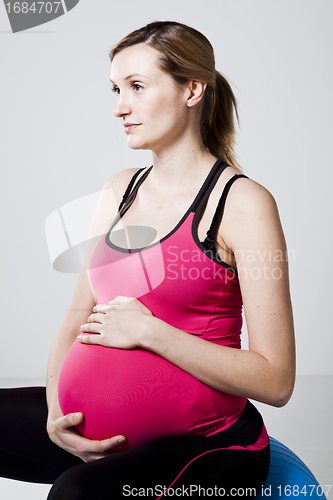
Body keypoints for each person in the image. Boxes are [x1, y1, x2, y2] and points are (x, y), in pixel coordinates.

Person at [0, 21, 295, 499]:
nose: (120, 107)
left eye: (137, 87)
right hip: (96, 434)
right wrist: (57, 414)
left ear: (192, 89)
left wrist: (150, 333)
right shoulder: (120, 190)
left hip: (208, 443)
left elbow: (276, 379)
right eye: (116, 89)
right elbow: (77, 318)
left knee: (76, 493)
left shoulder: (243, 204)